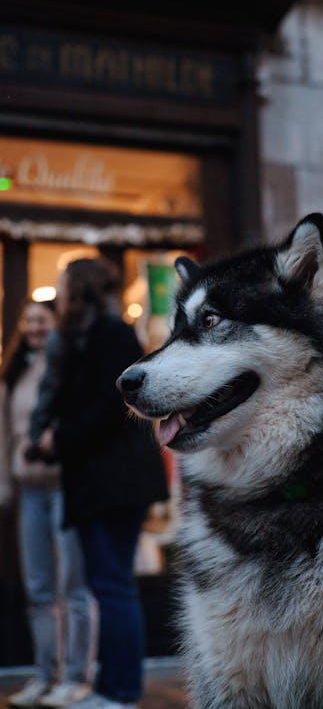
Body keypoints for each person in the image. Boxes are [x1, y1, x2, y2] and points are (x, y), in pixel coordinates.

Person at [39, 258, 168, 709]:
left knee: (112, 586)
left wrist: (59, 437)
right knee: (108, 585)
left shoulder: (108, 332)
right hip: (102, 483)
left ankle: (120, 691)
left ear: (81, 288)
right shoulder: (89, 335)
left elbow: (110, 408)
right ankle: (112, 688)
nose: (59, 292)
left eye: (63, 284)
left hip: (113, 483)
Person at [0, 299, 95, 709]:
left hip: (65, 485)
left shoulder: (67, 367)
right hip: (29, 491)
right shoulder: (13, 375)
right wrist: (5, 484)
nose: (35, 326)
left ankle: (77, 677)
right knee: (38, 589)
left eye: (42, 319)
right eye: (29, 320)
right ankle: (44, 675)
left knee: (73, 587)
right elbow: (3, 435)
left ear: (55, 323)